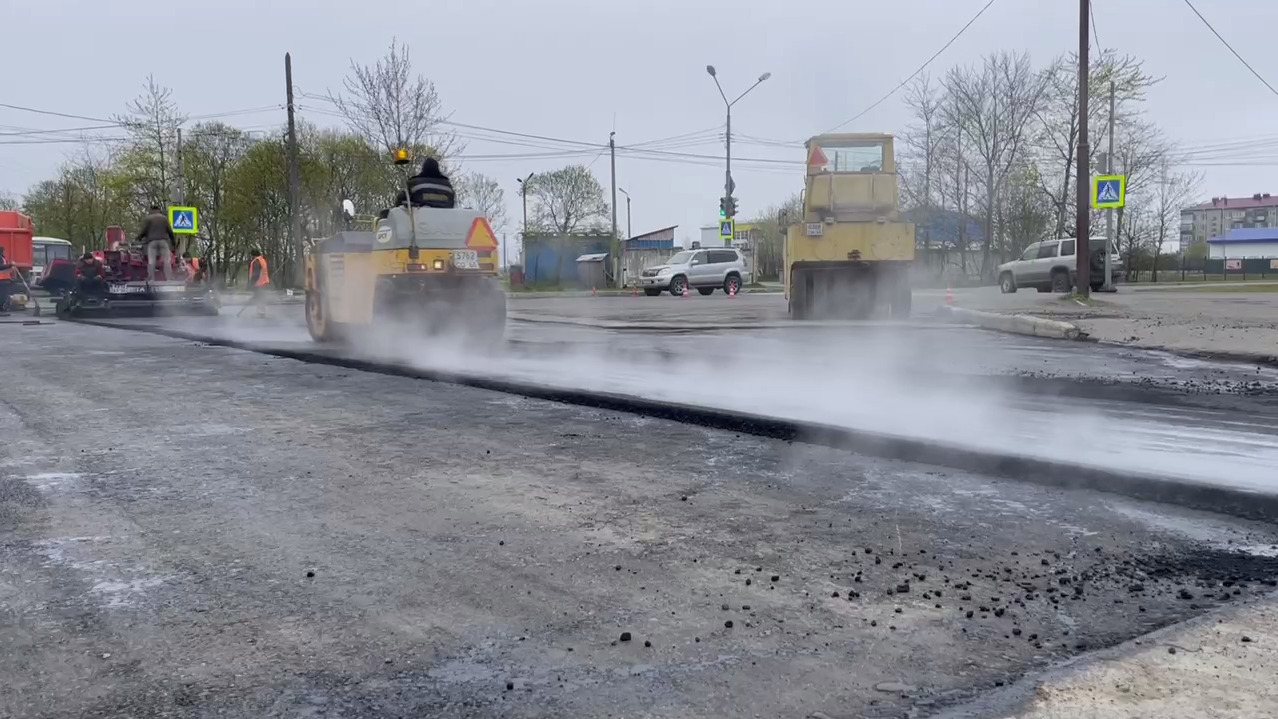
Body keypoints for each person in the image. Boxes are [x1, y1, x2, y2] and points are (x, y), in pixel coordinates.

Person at [136, 205, 176, 283]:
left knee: (151, 261)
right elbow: (170, 231)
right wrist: (173, 241)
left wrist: (139, 237)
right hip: (163, 241)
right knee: (167, 260)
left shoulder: (148, 219)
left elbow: (144, 231)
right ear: (159, 210)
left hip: (152, 242)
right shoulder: (164, 218)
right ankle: (169, 278)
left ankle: (151, 278)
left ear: (151, 210)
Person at [248, 249, 270, 318]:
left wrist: (251, 283)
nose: (251, 257)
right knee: (261, 297)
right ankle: (261, 312)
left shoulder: (256, 261)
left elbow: (256, 274)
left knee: (259, 298)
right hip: (264, 282)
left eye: (251, 255)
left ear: (253, 255)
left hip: (259, 282)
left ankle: (260, 313)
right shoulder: (262, 260)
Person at [0, 247, 13, 312]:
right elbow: (1, 267)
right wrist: (10, 265)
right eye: (2, 251)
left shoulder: (3, 258)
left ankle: (2, 306)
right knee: (2, 295)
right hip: (1, 279)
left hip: (5, 279)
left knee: (4, 295)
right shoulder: (0, 258)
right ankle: (1, 307)